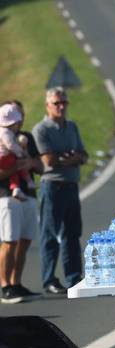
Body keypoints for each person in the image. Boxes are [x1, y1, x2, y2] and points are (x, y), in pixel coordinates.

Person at [32, 87, 89, 295]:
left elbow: (84, 155)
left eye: (64, 102)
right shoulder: (41, 129)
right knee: (50, 235)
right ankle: (49, 279)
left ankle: (74, 276)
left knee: (72, 233)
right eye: (57, 103)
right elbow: (49, 160)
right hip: (53, 187)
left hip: (71, 186)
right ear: (48, 105)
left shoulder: (71, 127)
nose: (62, 107)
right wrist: (70, 158)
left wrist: (69, 157)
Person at [0, 103, 39, 303]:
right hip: (6, 195)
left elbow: (39, 164)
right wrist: (17, 164)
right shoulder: (3, 137)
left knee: (24, 240)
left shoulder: (26, 137)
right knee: (9, 241)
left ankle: (16, 283)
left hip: (28, 194)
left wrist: (28, 161)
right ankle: (5, 286)